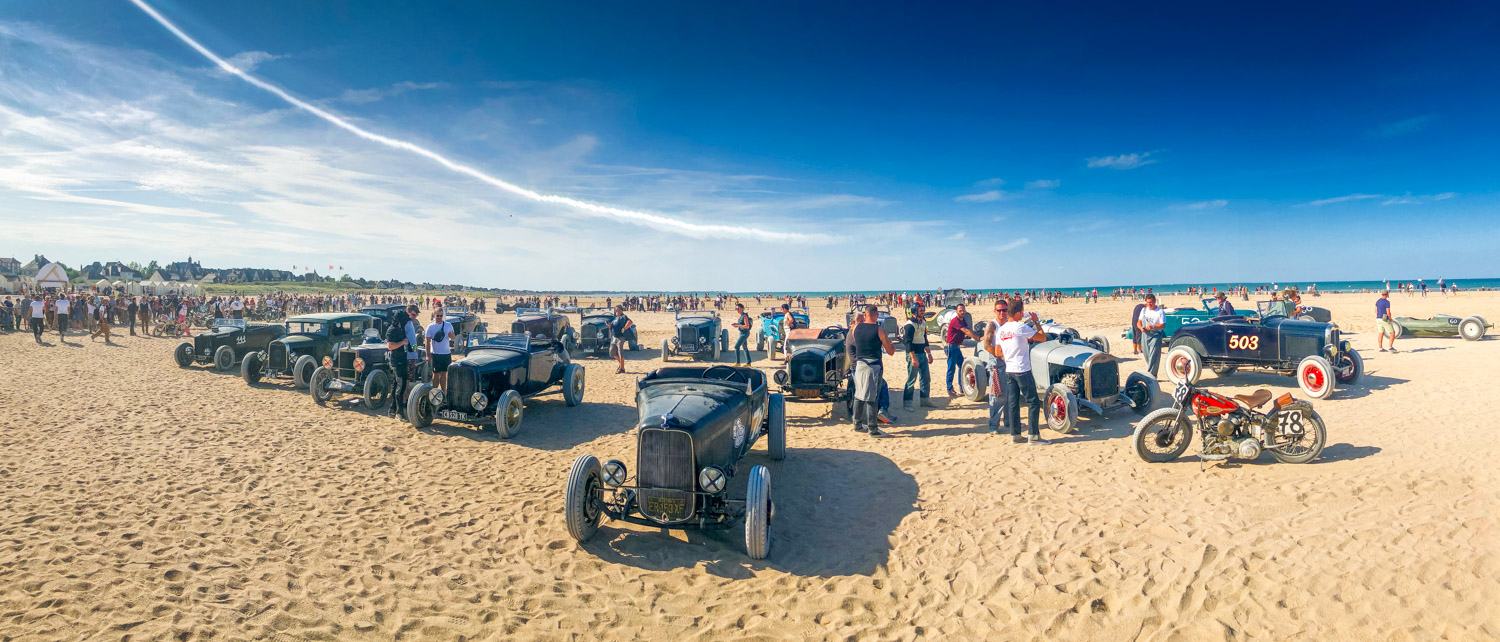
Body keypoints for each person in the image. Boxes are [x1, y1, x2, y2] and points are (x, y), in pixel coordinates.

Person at [987, 299, 1048, 444]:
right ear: (1019, 312)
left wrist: (1009, 355)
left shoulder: (1001, 329)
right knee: (1033, 402)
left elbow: (997, 350)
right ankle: (1033, 436)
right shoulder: (1020, 327)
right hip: (1022, 369)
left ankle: (1016, 435)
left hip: (1009, 370)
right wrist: (1036, 321)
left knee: (1013, 403)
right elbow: (1042, 337)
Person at [846, 304, 895, 437]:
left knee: (859, 395)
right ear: (876, 315)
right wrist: (891, 345)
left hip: (860, 364)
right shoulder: (879, 330)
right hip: (873, 365)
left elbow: (858, 343)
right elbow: (890, 351)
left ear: (865, 315)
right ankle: (873, 429)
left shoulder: (855, 328)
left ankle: (857, 423)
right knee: (872, 397)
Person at [899, 303, 933, 411]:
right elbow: (907, 343)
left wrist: (929, 353)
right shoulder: (909, 325)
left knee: (926, 378)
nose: (922, 311)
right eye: (920, 310)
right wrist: (913, 358)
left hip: (922, 353)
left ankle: (925, 401)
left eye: (923, 309)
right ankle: (907, 403)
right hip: (913, 355)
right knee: (911, 379)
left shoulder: (923, 322)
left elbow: (924, 338)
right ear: (914, 311)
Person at [979, 306, 1008, 434]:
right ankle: (993, 425)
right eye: (999, 310)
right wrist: (1001, 357)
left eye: (1004, 310)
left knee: (1010, 395)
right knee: (996, 395)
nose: (1002, 312)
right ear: (995, 311)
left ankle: (1008, 422)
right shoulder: (992, 325)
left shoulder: (1009, 324)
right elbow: (987, 346)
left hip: (1009, 363)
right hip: (997, 363)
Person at [944, 303, 981, 397]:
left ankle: (962, 387)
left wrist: (979, 334)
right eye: (960, 310)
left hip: (956, 347)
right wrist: (977, 338)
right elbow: (966, 331)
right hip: (951, 347)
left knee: (962, 366)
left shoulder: (963, 320)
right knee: (951, 368)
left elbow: (969, 329)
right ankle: (949, 389)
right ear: (956, 311)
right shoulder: (956, 321)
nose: (962, 312)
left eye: (963, 310)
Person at [385, 310, 412, 419]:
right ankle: (399, 412)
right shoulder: (392, 330)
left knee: (396, 385)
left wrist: (414, 349)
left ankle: (392, 409)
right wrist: (402, 343)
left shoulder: (401, 329)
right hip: (397, 361)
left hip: (403, 359)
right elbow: (390, 346)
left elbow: (408, 344)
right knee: (400, 387)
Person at [425, 309, 456, 395]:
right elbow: (427, 342)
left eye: (440, 316)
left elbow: (454, 338)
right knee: (435, 374)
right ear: (434, 315)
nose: (439, 317)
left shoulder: (448, 325)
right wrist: (428, 355)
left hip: (446, 353)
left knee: (444, 374)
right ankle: (434, 393)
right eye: (437, 315)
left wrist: (452, 336)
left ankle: (443, 393)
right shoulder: (430, 327)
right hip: (436, 354)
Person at [1137, 294, 1166, 377]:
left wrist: (1153, 327)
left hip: (1155, 335)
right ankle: (1152, 373)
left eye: (1150, 302)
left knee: (1154, 356)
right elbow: (1138, 322)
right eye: (1147, 302)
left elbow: (1163, 325)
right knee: (1147, 355)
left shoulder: (1160, 311)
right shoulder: (1144, 310)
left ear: (1154, 301)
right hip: (1145, 334)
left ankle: (1151, 375)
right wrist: (1141, 328)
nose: (1149, 304)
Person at [609, 306, 633, 374]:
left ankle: (622, 368)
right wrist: (609, 325)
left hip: (620, 337)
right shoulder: (616, 317)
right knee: (612, 352)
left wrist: (624, 328)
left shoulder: (623, 317)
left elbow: (630, 322)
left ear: (620, 310)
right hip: (614, 337)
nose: (615, 311)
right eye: (615, 310)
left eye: (617, 310)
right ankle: (621, 366)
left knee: (620, 353)